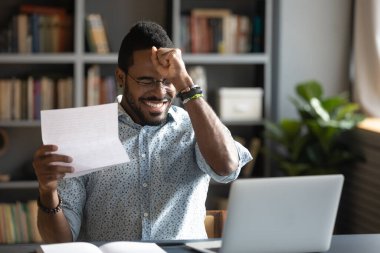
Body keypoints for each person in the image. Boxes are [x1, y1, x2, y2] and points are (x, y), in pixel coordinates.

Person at [32, 21, 252, 242]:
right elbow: (59, 242)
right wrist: (47, 192)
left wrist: (186, 84)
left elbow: (226, 168)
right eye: (146, 80)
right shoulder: (85, 133)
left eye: (168, 81)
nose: (159, 92)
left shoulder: (196, 126)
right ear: (121, 77)